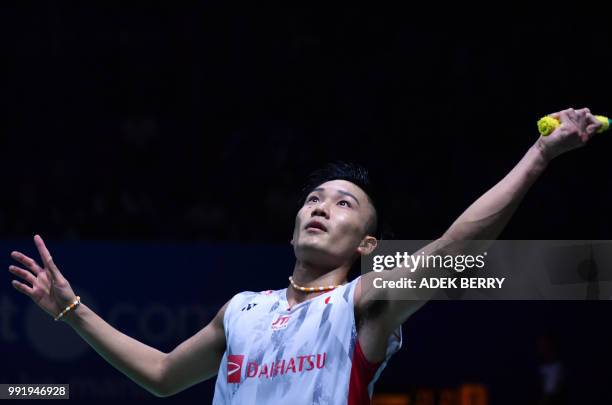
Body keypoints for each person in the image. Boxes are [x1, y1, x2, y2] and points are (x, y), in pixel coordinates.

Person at [8, 108, 603, 404]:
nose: (320, 207)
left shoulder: (363, 304)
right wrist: (71, 309)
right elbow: (164, 376)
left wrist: (539, 156)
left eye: (344, 204)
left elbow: (456, 250)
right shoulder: (242, 310)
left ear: (368, 244)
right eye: (314, 199)